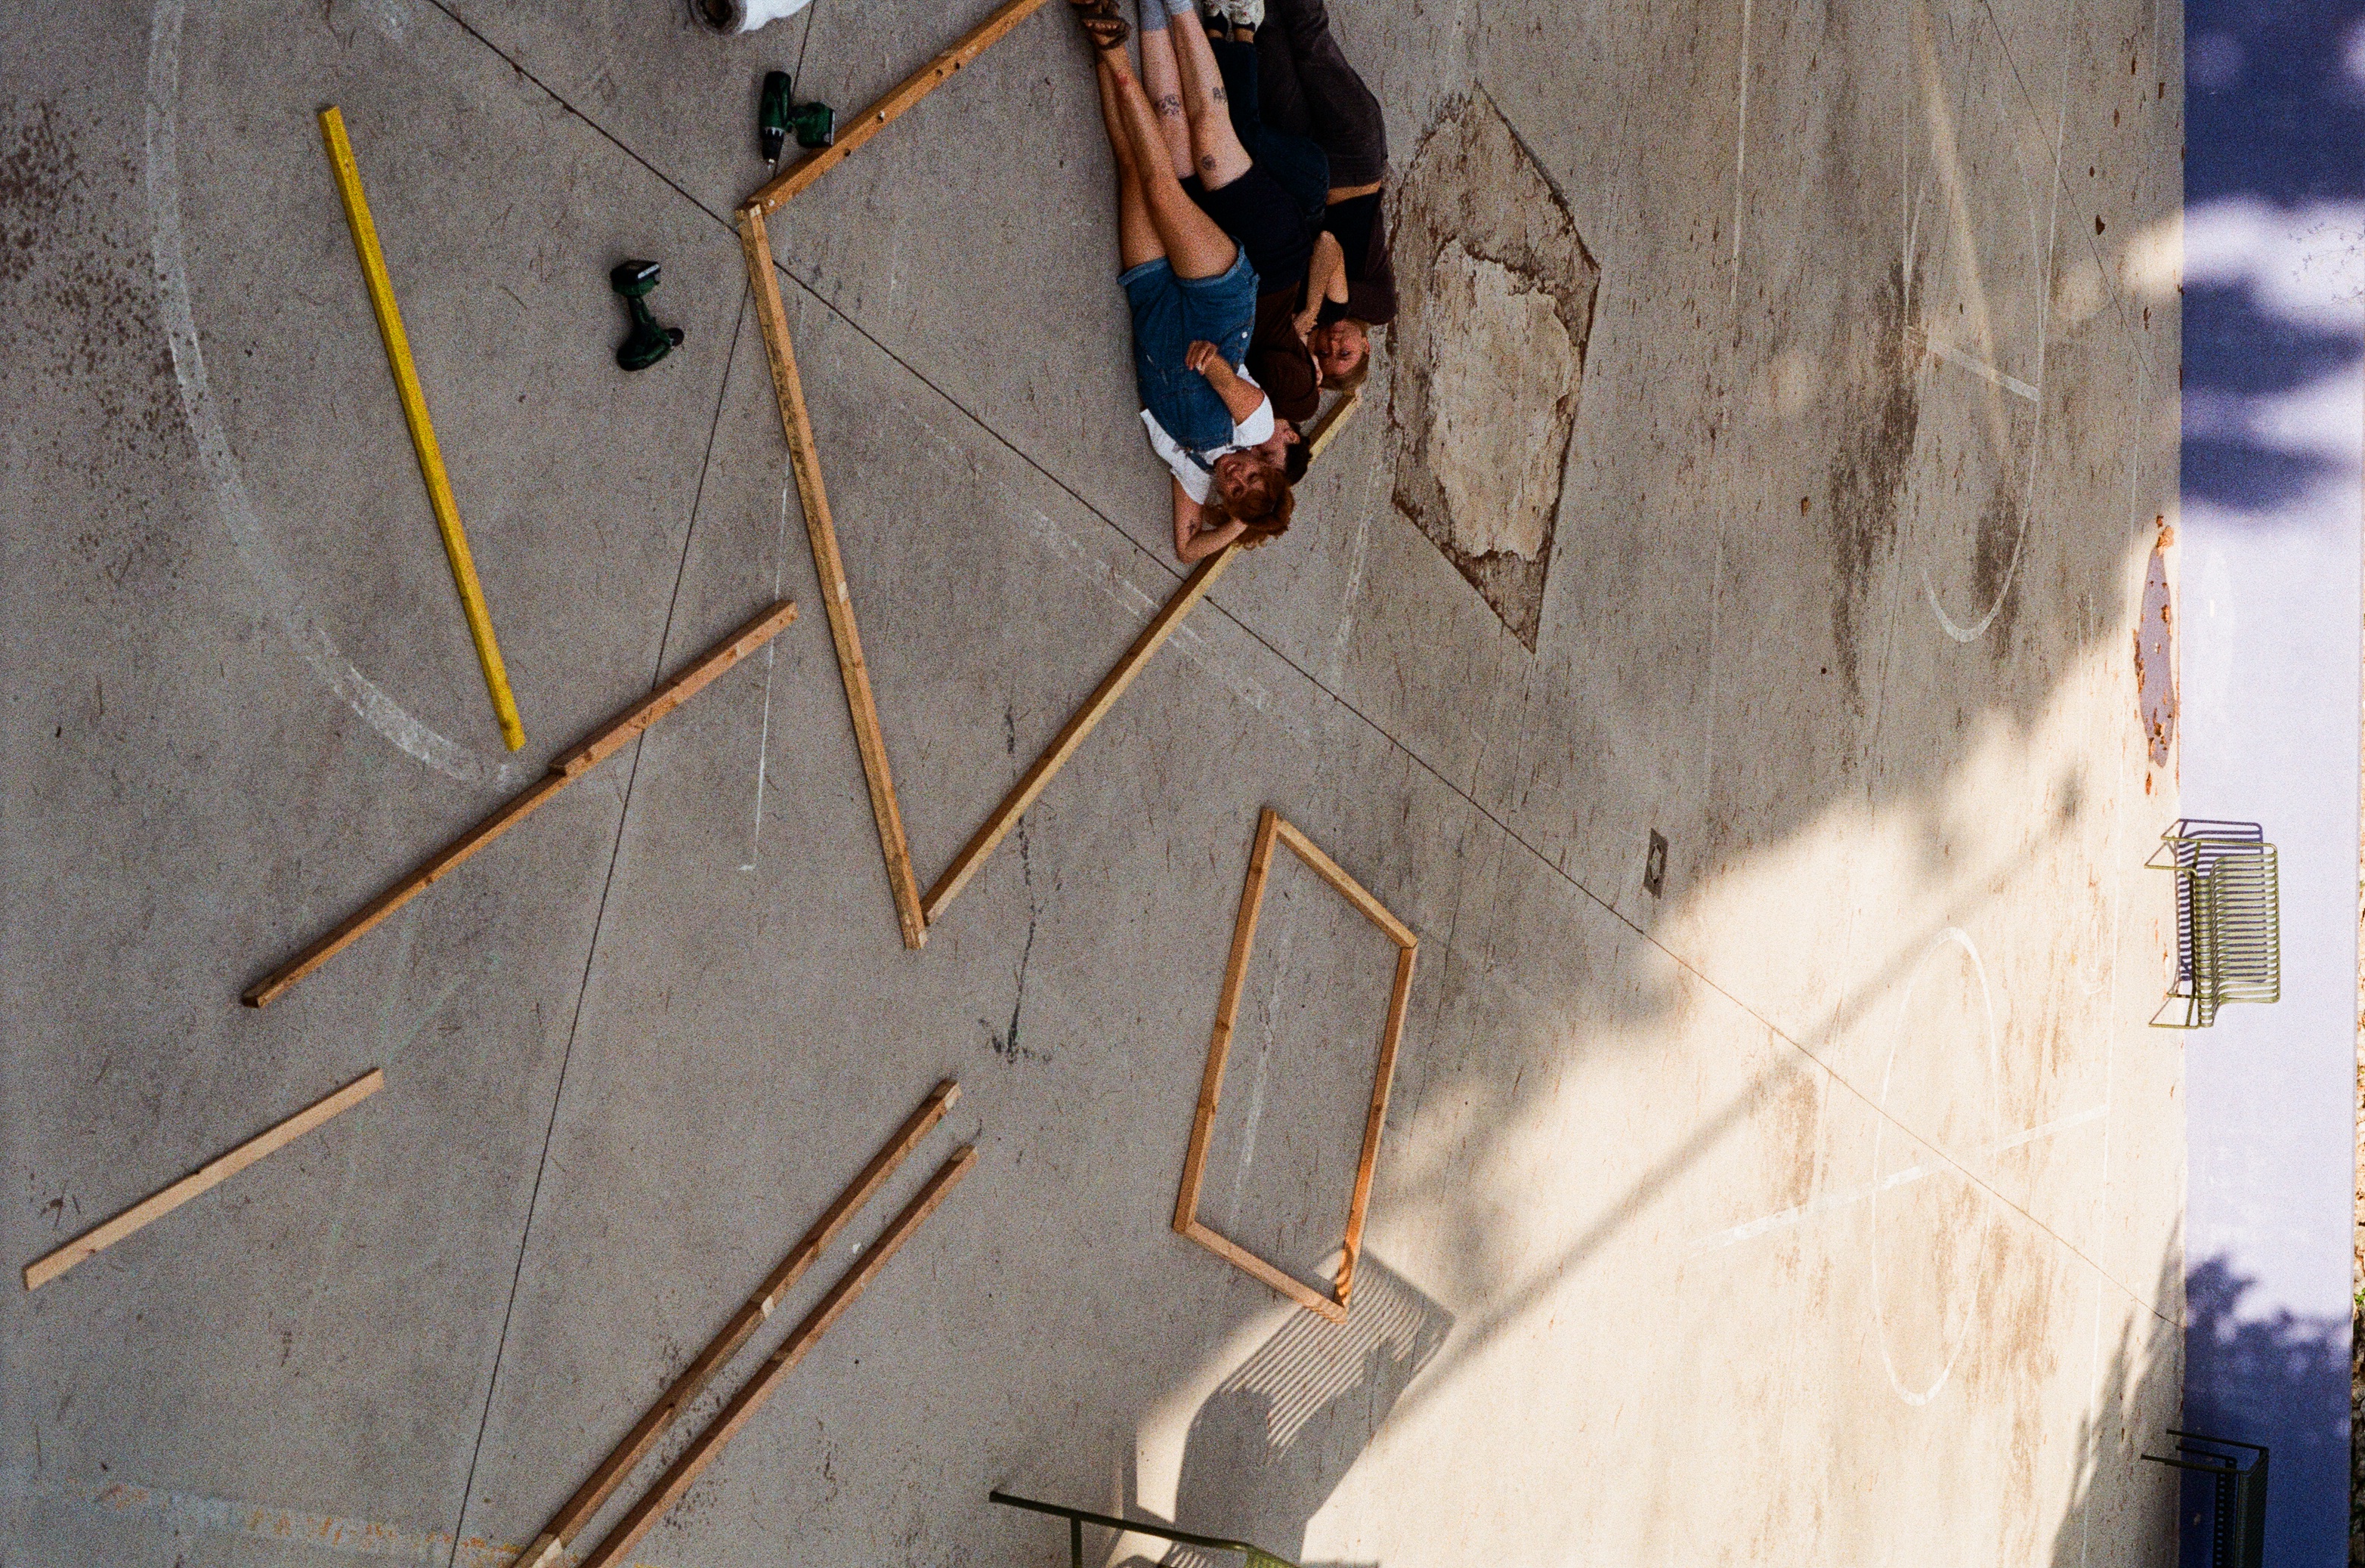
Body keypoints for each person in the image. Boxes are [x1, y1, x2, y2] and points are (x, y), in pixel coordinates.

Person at [1074, 0, 1297, 561]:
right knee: (1160, 185)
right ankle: (1117, 53)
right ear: (1265, 467)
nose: (1237, 477)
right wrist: (1216, 367)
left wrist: (1246, 526)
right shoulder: (1255, 427)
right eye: (1252, 479)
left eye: (1236, 491)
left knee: (1130, 167)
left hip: (1152, 305)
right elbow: (1220, 373)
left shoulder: (1196, 475)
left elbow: (1186, 549)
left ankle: (1097, 37)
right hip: (1215, 300)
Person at [1130, 0, 1326, 425]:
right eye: (1275, 457)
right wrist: (1262, 416)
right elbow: (1268, 368)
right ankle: (1179, 7)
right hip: (1271, 258)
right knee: (1209, 134)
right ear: (1291, 438)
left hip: (1229, 270)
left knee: (1175, 132)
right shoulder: (1298, 404)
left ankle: (1153, 8)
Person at [1232, 0, 1396, 388]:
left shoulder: (1310, 311)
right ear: (1367, 347)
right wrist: (1309, 313)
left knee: (1269, 43)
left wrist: (1306, 320)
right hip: (1357, 159)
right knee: (1310, 36)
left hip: (1307, 166)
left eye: (1326, 353)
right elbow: (1330, 248)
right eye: (1346, 353)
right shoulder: (1380, 309)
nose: (1334, 343)